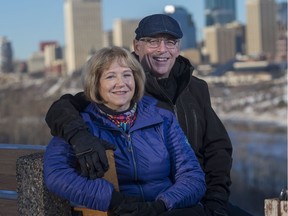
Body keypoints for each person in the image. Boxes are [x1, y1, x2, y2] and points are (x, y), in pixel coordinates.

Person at [45, 14, 253, 216]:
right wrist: (79, 136)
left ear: (178, 47)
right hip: (149, 205)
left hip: (188, 197)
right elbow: (62, 110)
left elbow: (217, 148)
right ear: (137, 46)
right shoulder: (116, 95)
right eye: (153, 42)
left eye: (170, 42)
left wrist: (216, 199)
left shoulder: (193, 90)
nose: (162, 49)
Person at [44, 46, 206, 216]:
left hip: (164, 211)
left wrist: (161, 205)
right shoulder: (81, 124)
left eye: (127, 75)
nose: (121, 83)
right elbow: (56, 174)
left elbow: (192, 175)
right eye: (110, 76)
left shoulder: (162, 118)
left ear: (136, 80)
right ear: (96, 83)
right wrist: (112, 200)